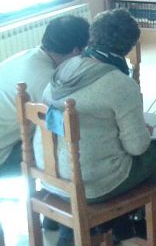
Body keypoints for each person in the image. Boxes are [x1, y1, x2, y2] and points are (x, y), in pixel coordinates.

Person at [36, 9, 156, 246]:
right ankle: (128, 213)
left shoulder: (63, 69)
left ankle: (120, 220)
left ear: (92, 36)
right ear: (130, 46)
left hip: (50, 177)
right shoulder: (120, 83)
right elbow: (137, 147)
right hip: (90, 187)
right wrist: (143, 131)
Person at [0, 15, 89, 176]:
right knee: (80, 148)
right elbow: (66, 127)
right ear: (77, 50)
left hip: (8, 135)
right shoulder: (46, 81)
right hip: (4, 155)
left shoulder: (29, 55)